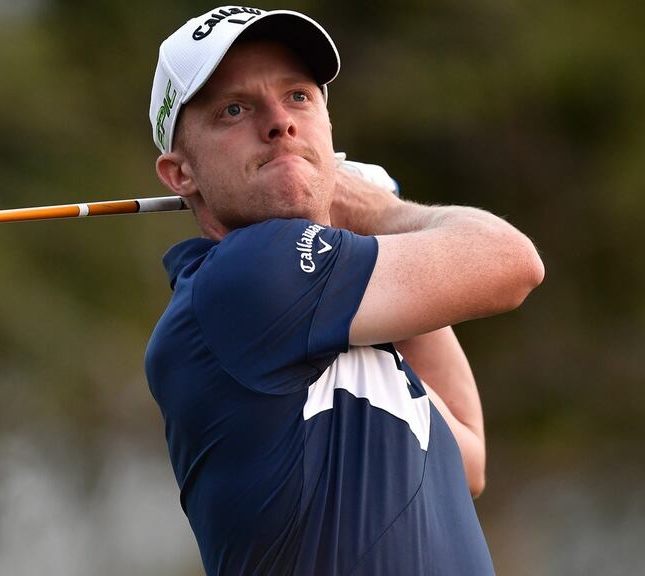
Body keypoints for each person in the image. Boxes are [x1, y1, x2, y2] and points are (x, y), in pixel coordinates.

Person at [144, 6, 544, 575]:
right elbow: (512, 261)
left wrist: (372, 235)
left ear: (329, 129)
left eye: (299, 97)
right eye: (235, 109)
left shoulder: (325, 316)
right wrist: (386, 212)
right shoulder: (247, 278)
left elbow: (468, 456)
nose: (280, 122)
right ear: (181, 175)